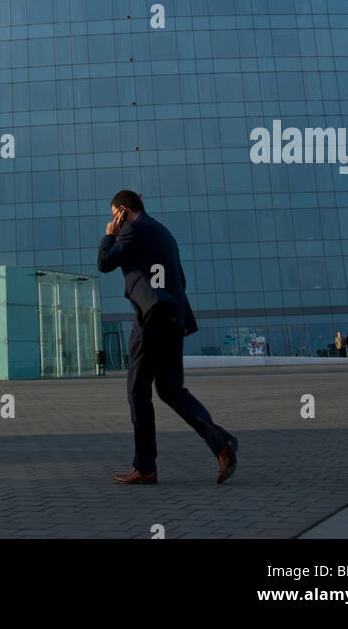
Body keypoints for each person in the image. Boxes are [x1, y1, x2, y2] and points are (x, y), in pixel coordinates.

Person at [98, 189, 238, 486]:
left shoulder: (132, 230)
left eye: (115, 217)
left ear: (123, 211)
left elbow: (105, 262)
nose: (114, 222)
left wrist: (110, 234)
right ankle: (220, 443)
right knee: (170, 389)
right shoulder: (164, 232)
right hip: (174, 316)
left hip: (151, 317)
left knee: (137, 391)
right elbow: (180, 278)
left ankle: (145, 467)